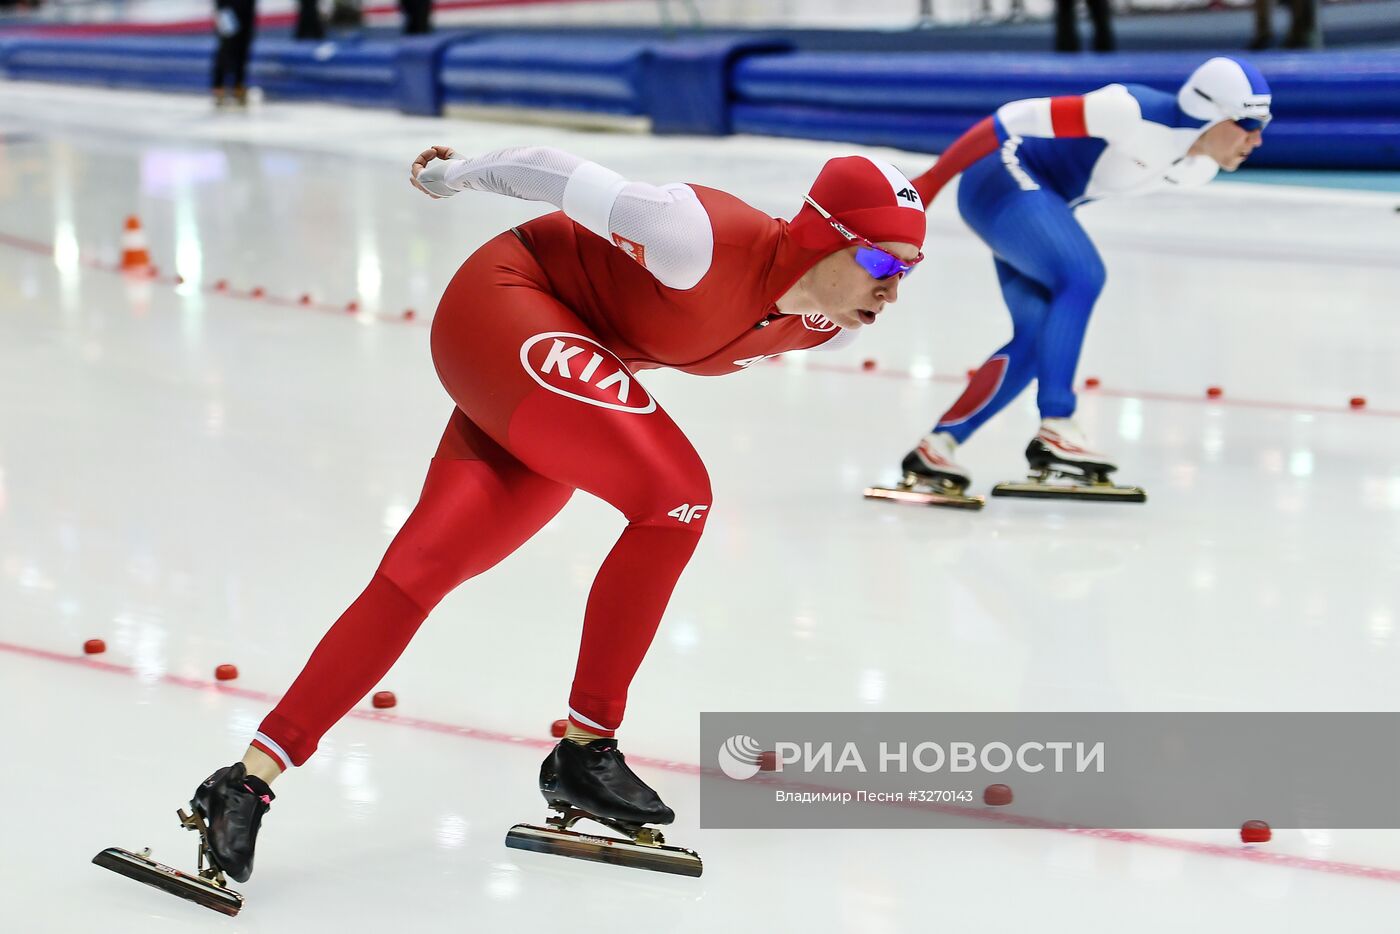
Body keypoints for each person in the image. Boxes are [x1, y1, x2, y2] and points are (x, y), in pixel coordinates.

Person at [183, 145, 926, 882]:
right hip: (504, 302)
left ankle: (245, 780)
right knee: (677, 496)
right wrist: (451, 175)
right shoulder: (698, 237)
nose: (894, 290)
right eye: (885, 264)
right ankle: (587, 749)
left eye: (911, 271)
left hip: (569, 359)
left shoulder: (833, 322)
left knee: (420, 570)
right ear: (828, 235)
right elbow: (551, 171)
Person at [895, 57, 1269, 496]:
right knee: (1082, 274)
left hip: (1034, 201)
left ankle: (938, 445)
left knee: (1040, 338)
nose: (1257, 139)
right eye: (1248, 123)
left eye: (1263, 125)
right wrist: (932, 182)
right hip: (1001, 173)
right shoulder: (1130, 111)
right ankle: (1057, 423)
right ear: (1212, 111)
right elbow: (1011, 117)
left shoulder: (1197, 169)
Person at [212, 0, 256, 106]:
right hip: (226, 8)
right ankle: (219, 86)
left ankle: (239, 86)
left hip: (245, 8)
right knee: (227, 45)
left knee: (243, 46)